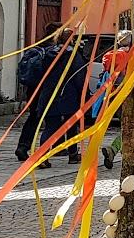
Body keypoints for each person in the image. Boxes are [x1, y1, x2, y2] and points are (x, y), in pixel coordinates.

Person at [15, 23, 88, 166]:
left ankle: (41, 156)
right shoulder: (73, 55)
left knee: (51, 126)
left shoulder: (47, 53)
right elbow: (80, 76)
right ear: (71, 39)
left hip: (47, 94)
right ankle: (72, 155)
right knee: (71, 124)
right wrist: (83, 94)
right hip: (68, 95)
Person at [99, 29, 133, 169]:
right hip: (127, 94)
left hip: (112, 95)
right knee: (131, 126)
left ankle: (115, 151)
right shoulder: (131, 55)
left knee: (126, 125)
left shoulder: (110, 56)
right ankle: (118, 151)